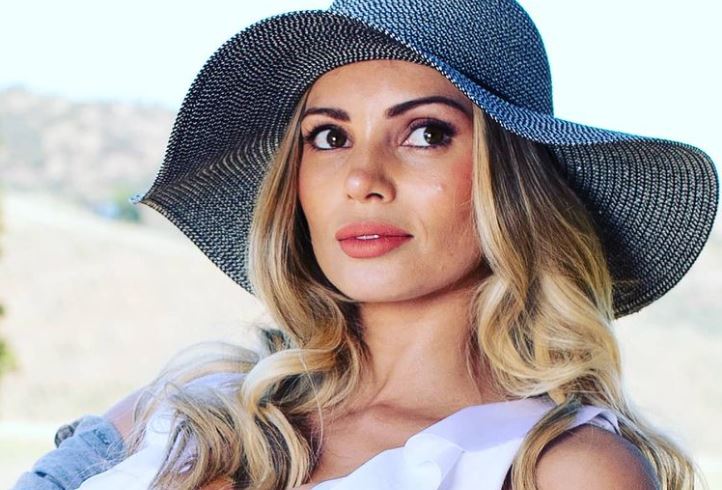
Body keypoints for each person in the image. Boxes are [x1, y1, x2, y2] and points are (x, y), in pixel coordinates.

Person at [13, 0, 718, 489]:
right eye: (329, 136)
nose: (361, 179)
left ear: (511, 183)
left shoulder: (560, 468)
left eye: (425, 133)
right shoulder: (188, 406)